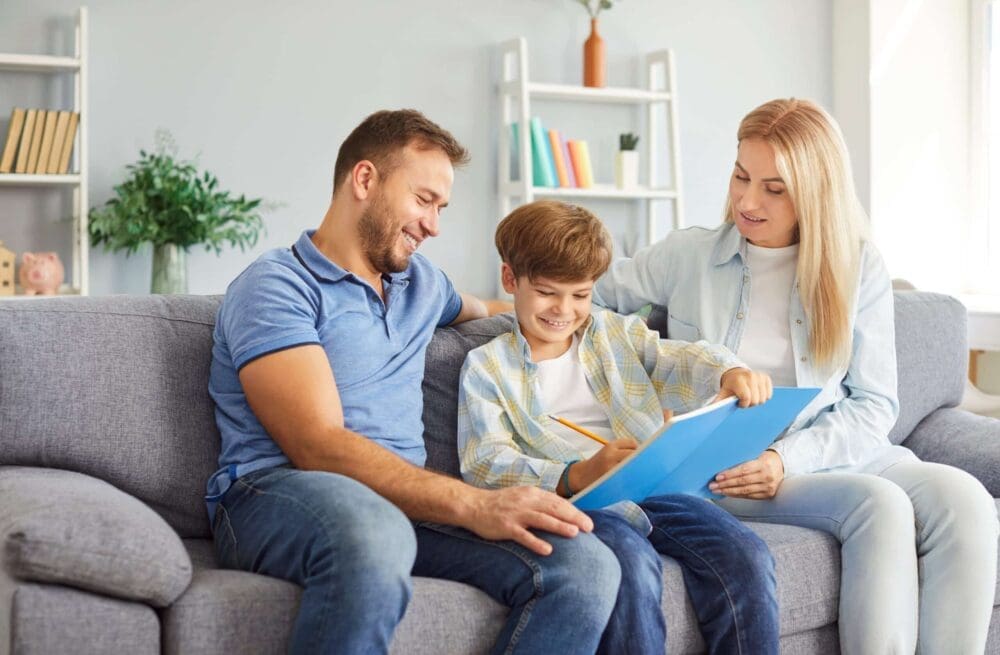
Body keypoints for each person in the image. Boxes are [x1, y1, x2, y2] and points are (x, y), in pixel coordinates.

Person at [206, 109, 626, 654]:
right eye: (424, 200)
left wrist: (573, 319)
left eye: (441, 208)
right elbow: (316, 444)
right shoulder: (277, 286)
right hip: (275, 493)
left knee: (582, 563)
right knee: (375, 531)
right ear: (364, 180)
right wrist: (474, 504)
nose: (434, 225)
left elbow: (496, 306)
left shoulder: (420, 283)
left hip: (401, 501)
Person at [594, 98, 1000, 654]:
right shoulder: (687, 255)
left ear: (815, 193)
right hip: (731, 469)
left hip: (824, 452)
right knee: (878, 506)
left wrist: (790, 459)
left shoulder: (857, 267)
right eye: (741, 177)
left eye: (774, 188)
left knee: (965, 498)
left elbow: (875, 404)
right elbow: (578, 295)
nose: (747, 200)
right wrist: (473, 303)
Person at [457, 199, 780, 655]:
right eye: (548, 292)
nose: (564, 310)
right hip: (582, 503)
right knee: (631, 565)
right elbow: (485, 463)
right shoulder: (488, 367)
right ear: (511, 279)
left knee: (746, 555)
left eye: (581, 294)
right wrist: (577, 474)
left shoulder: (613, 334)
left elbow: (677, 358)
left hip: (653, 487)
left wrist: (727, 371)